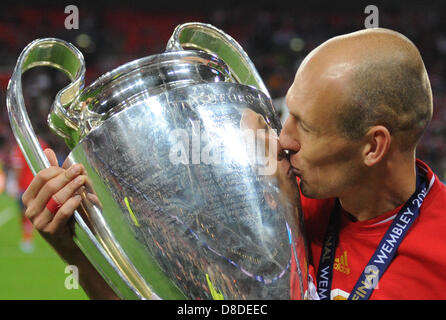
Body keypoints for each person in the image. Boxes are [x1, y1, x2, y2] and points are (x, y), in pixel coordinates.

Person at [22, 27, 446, 300]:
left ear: (373, 147)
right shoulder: (279, 198)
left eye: (308, 128)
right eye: (288, 115)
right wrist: (76, 249)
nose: (284, 139)